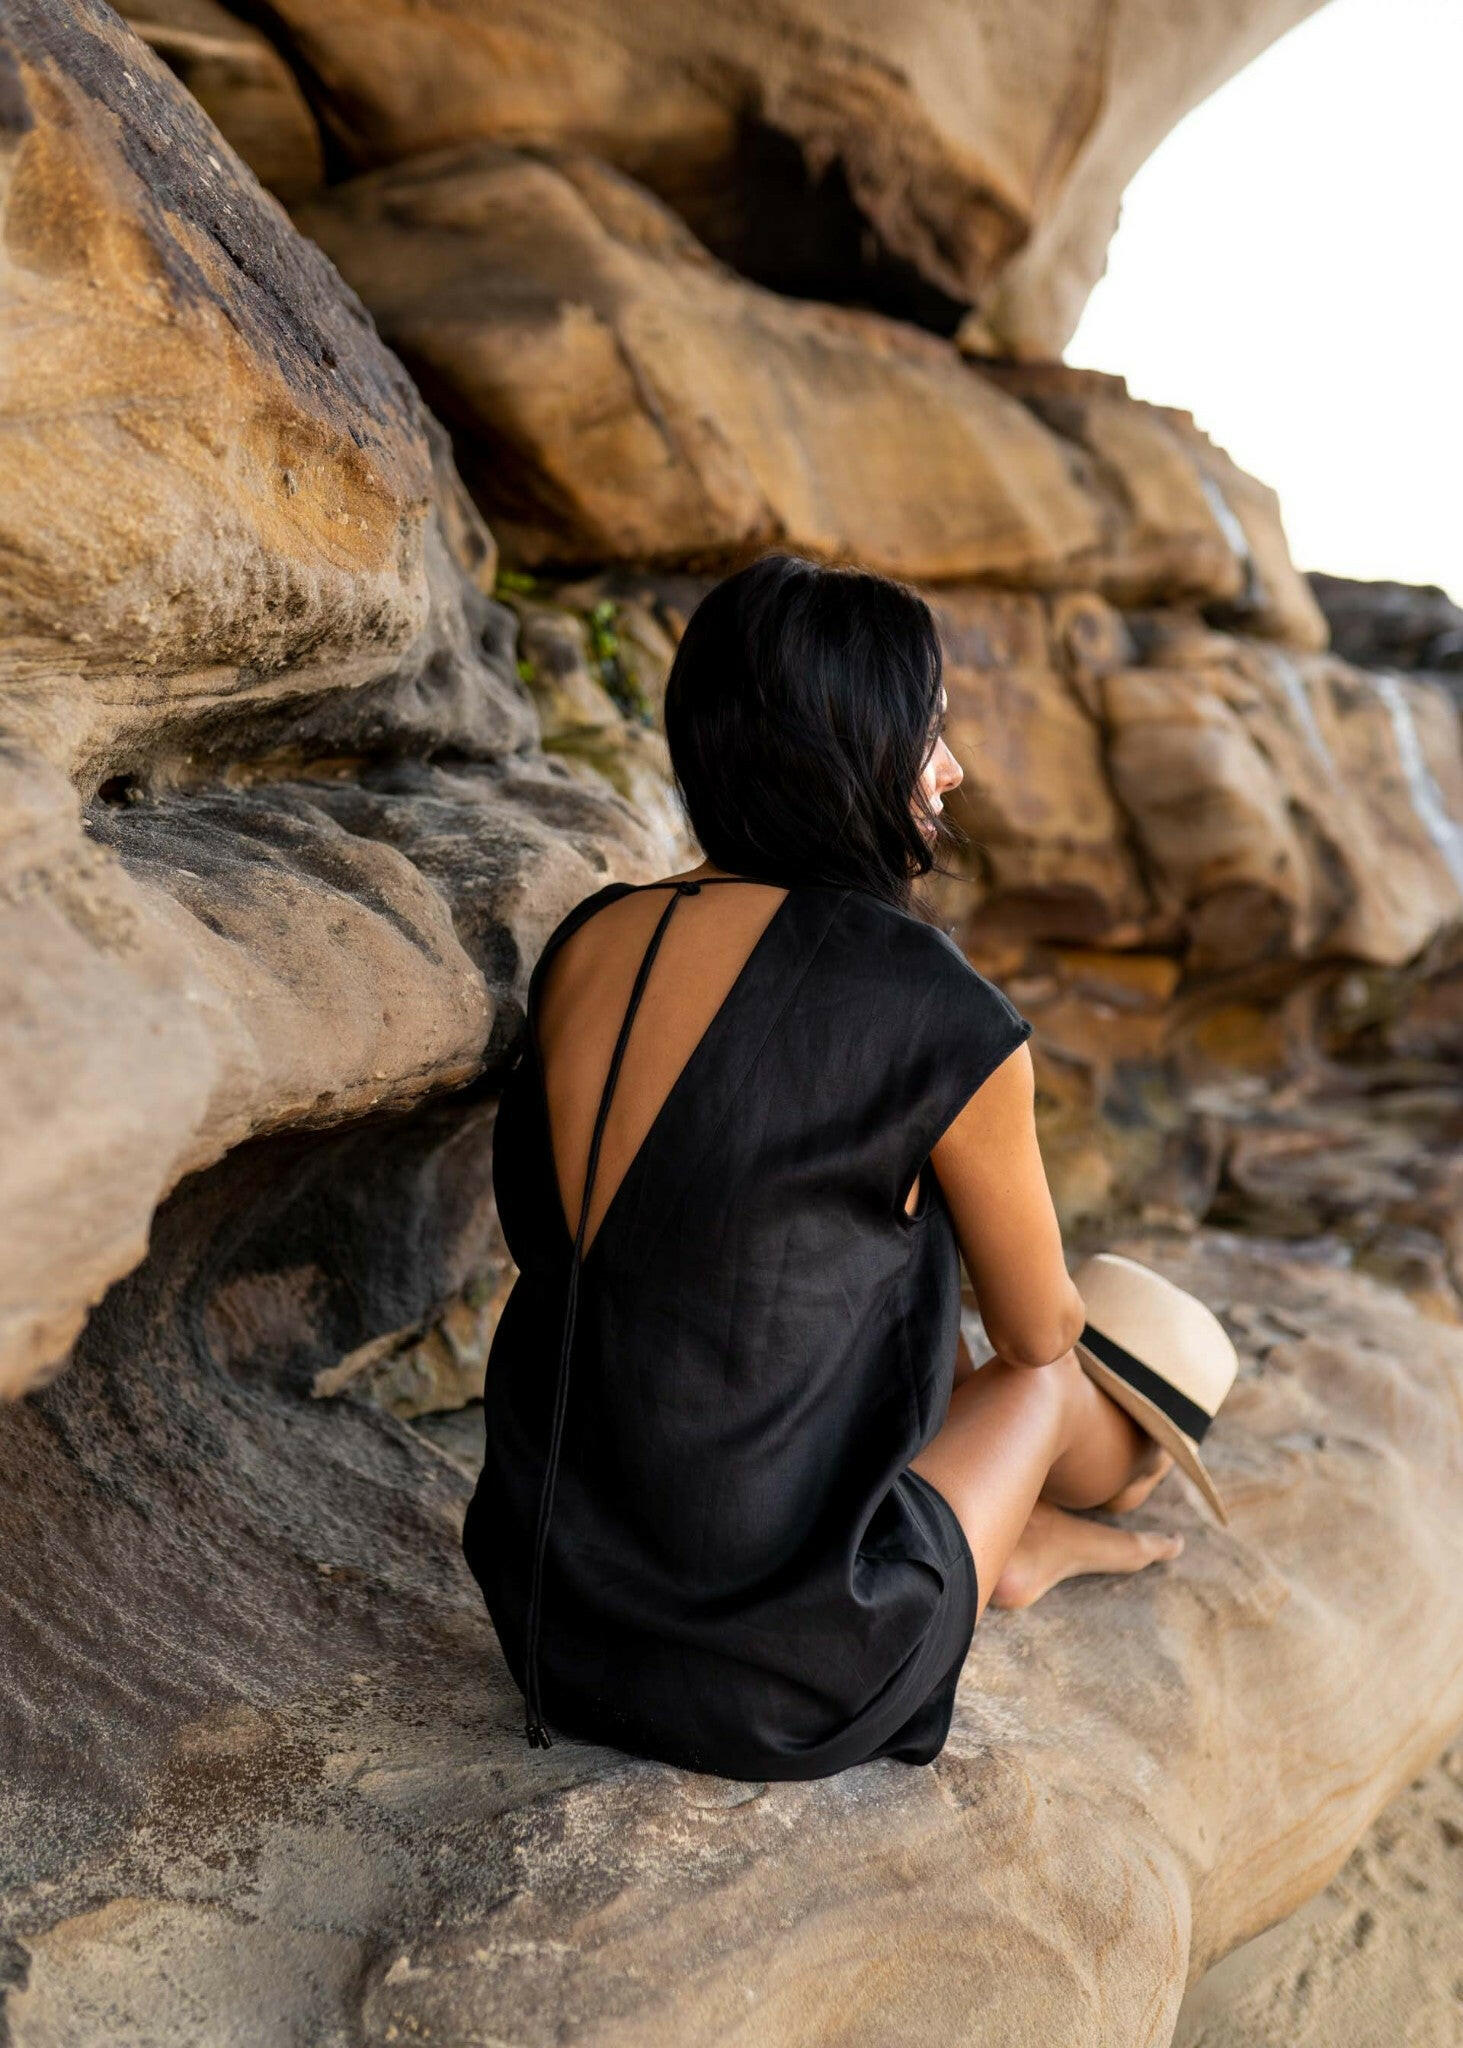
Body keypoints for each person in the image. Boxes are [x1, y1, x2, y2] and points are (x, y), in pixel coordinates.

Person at [463, 551, 1182, 1780]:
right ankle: (1105, 1503)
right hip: (785, 1670)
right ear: (848, 744)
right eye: (929, 731)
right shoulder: (935, 1007)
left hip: (555, 1624)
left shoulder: (590, 942)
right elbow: (1035, 1333)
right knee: (1061, 1383)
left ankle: (1032, 1530)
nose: (949, 768)